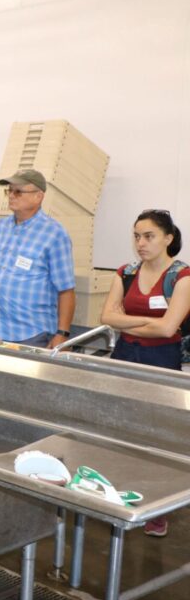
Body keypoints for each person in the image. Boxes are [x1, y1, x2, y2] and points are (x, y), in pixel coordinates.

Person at [100, 209, 190, 538]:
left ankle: (157, 509)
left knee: (156, 436)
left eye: (149, 236)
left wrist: (131, 321)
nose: (141, 243)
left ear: (168, 238)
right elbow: (107, 315)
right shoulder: (126, 272)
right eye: (136, 236)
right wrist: (146, 323)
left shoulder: (182, 277)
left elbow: (169, 328)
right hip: (125, 355)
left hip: (160, 359)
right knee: (120, 429)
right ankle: (120, 497)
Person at [0, 169, 75, 348]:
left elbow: (66, 290)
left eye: (18, 191)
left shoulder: (54, 234)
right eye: (10, 190)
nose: (11, 196)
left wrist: (62, 334)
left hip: (30, 333)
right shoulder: (0, 228)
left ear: (38, 196)